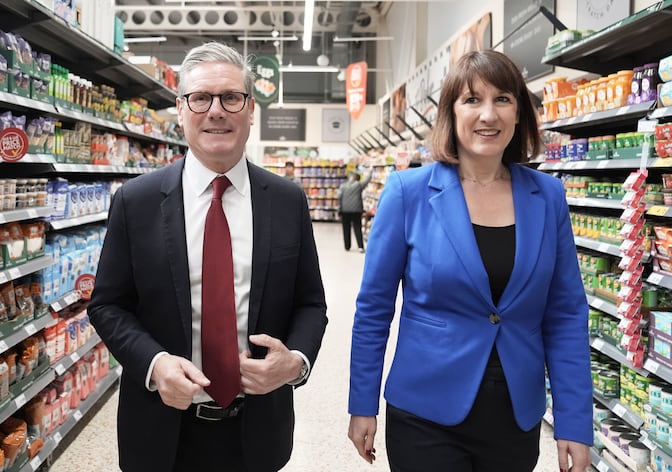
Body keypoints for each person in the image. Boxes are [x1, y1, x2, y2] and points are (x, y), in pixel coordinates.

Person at [347, 50, 592, 472]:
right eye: (472, 100)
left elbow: (566, 314)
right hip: (426, 411)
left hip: (516, 413)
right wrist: (362, 404)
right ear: (451, 112)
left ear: (520, 113)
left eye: (503, 99)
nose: (488, 114)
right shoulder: (408, 193)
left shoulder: (547, 197)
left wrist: (574, 421)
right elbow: (373, 309)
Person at [88, 41, 328, 472]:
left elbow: (310, 303)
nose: (216, 110)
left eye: (231, 97)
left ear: (251, 109)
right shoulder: (136, 202)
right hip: (160, 430)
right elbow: (107, 304)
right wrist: (154, 363)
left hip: (258, 433)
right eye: (200, 98)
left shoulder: (288, 201)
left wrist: (295, 362)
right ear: (181, 110)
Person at [337, 170, 371, 252]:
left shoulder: (342, 186)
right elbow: (367, 180)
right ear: (358, 179)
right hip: (356, 210)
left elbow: (339, 197)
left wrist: (339, 209)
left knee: (346, 228)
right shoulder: (359, 185)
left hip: (345, 210)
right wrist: (370, 171)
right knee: (357, 228)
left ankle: (347, 246)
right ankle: (360, 247)